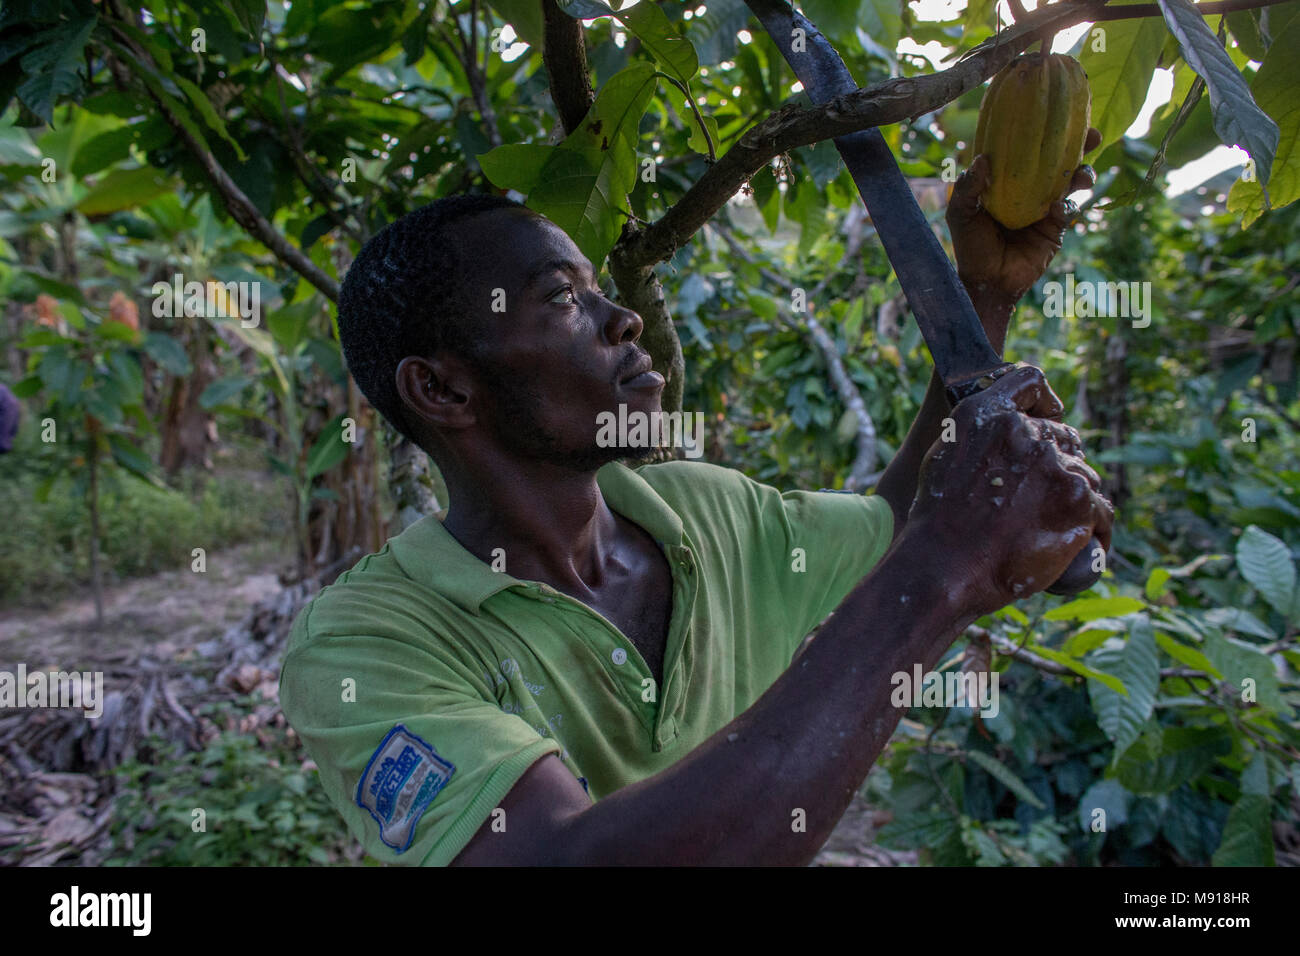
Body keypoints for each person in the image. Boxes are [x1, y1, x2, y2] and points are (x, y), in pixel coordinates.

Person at [278, 143, 1112, 866]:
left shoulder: (705, 512)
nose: (625, 320)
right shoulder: (368, 645)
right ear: (443, 388)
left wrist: (980, 298)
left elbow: (897, 523)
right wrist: (945, 570)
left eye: (600, 289)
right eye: (563, 298)